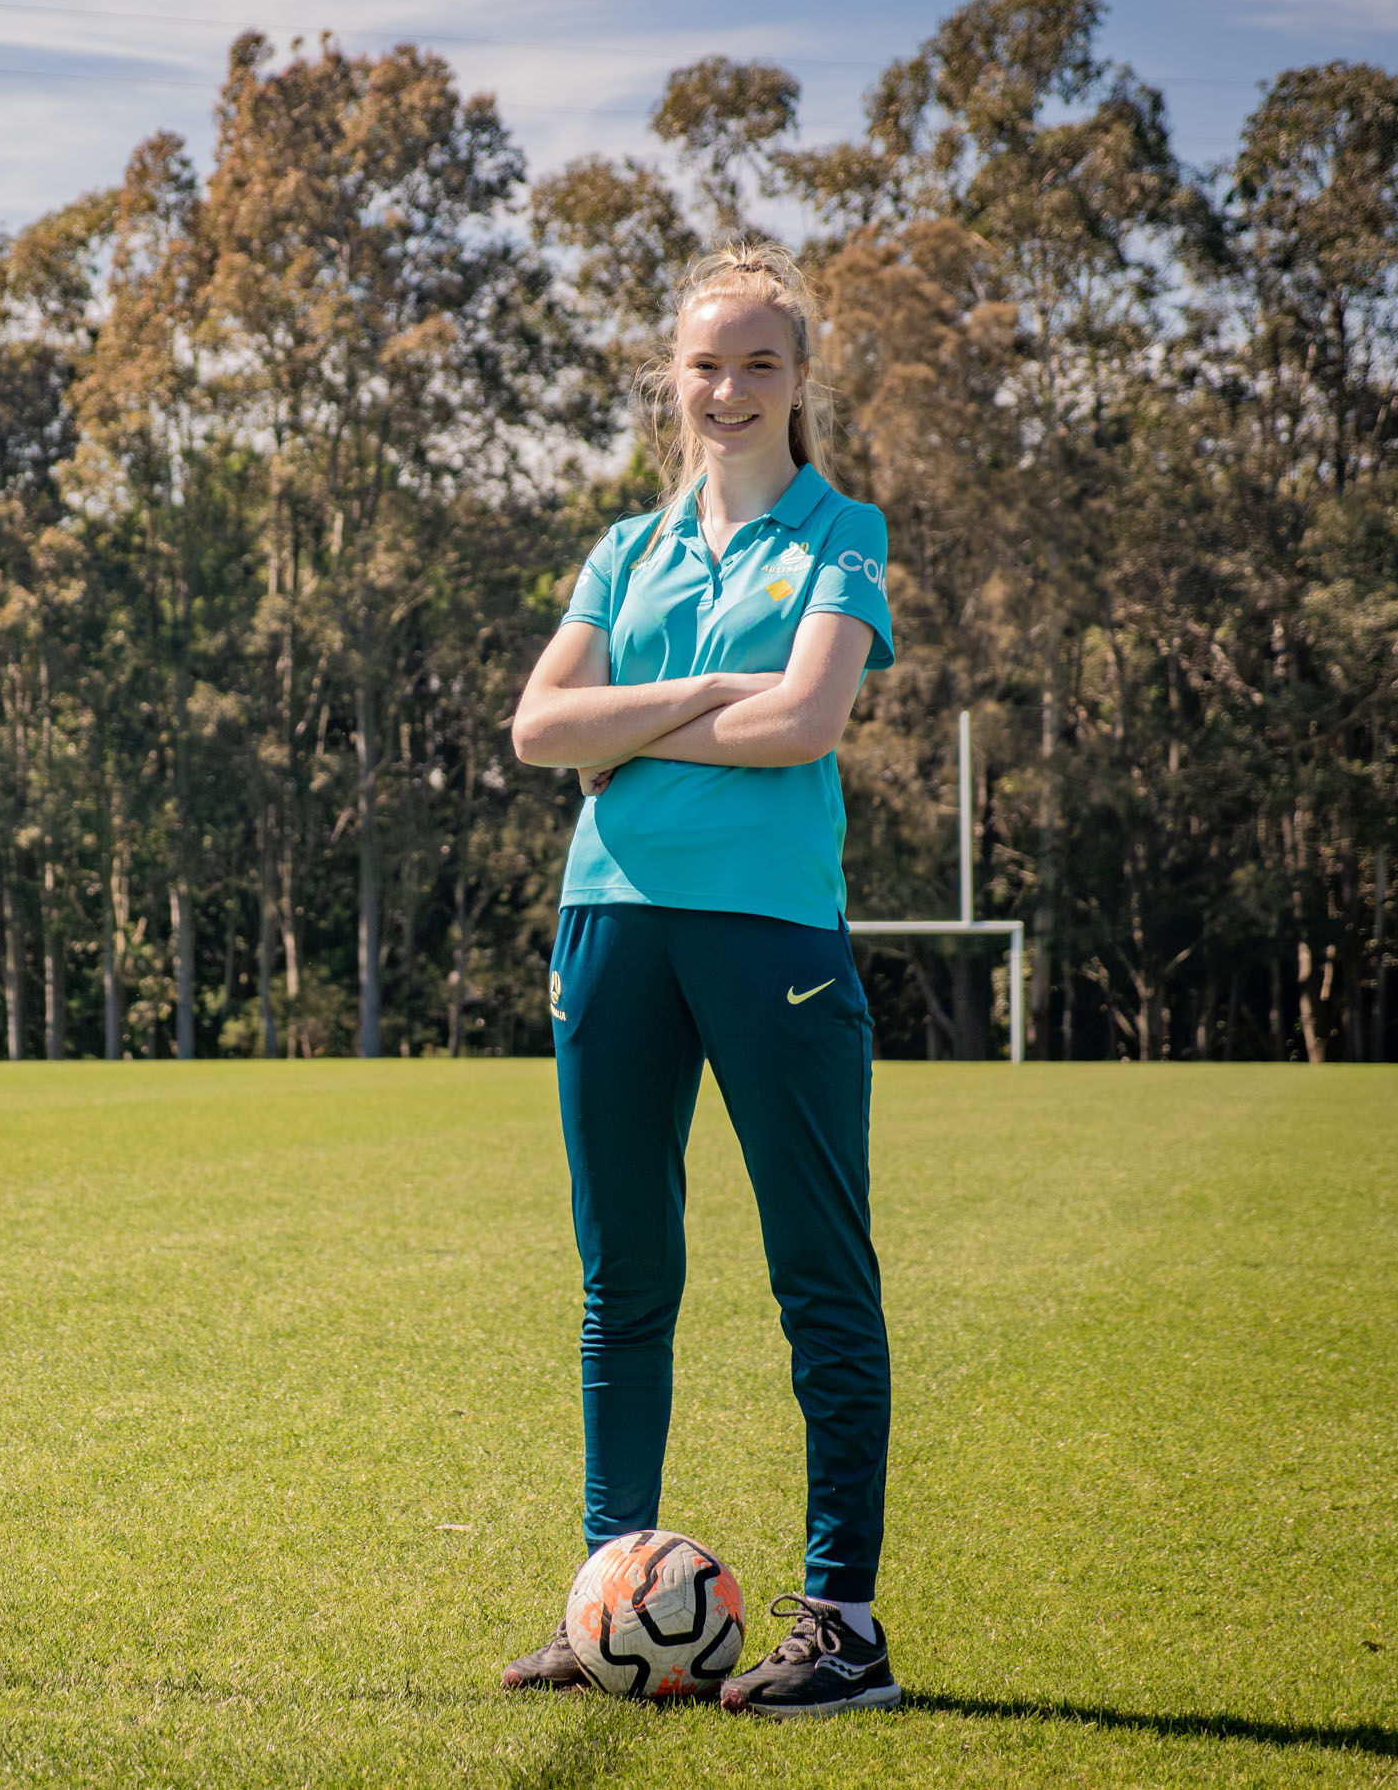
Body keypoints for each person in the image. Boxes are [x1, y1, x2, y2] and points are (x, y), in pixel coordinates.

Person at [498, 243, 901, 1718]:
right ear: (670, 379)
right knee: (624, 1286)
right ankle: (613, 1602)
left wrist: (625, 730)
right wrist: (695, 697)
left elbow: (803, 721)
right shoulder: (624, 547)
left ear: (798, 382)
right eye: (703, 364)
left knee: (818, 1280)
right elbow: (539, 729)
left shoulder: (839, 531)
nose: (725, 390)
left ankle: (842, 1629)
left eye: (757, 364)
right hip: (609, 924)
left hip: (770, 938)